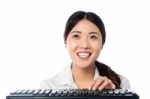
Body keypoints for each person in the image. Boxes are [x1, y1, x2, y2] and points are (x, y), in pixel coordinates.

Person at [40, 11, 130, 90]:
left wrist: (113, 95)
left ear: (102, 44)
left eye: (93, 37)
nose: (84, 45)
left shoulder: (121, 83)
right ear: (65, 42)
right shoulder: (48, 86)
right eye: (76, 36)